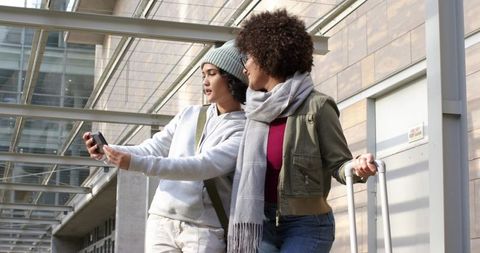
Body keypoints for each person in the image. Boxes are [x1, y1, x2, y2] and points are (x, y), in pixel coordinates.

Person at [226, 10, 378, 253]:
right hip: (261, 223)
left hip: (307, 225)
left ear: (268, 56)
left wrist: (357, 166)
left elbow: (339, 164)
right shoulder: (254, 112)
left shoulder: (317, 106)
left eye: (249, 57)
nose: (245, 68)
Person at [83, 40, 248, 253]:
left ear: (231, 77)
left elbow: (202, 166)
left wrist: (135, 163)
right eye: (203, 75)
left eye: (212, 73)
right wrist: (109, 152)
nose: (205, 81)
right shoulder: (190, 115)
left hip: (204, 228)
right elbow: (152, 147)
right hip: (161, 220)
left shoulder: (244, 128)